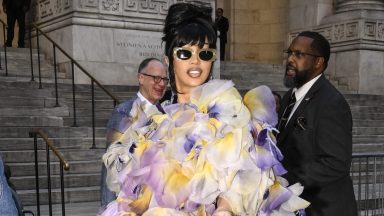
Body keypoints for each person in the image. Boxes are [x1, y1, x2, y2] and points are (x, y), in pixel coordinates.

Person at [100, 3, 309, 215]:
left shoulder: (230, 111)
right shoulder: (153, 125)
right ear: (168, 60)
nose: (196, 62)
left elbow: (243, 175)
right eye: (184, 53)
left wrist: (224, 209)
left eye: (205, 54)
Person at [276, 31, 357, 216]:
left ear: (318, 62)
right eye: (289, 53)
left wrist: (287, 181)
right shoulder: (289, 97)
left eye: (299, 54)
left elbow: (335, 162)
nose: (290, 59)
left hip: (323, 209)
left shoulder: (331, 103)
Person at [99, 57, 168, 211]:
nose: (161, 84)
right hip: (128, 201)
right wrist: (108, 207)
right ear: (141, 78)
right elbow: (111, 166)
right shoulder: (124, 112)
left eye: (164, 79)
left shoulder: (168, 114)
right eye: (156, 78)